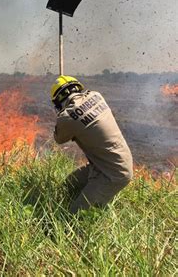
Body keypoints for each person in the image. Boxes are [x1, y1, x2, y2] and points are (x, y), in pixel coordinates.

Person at [51, 75, 133, 214]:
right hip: (108, 164)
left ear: (59, 101)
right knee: (68, 185)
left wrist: (60, 114)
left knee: (75, 217)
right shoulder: (97, 95)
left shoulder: (67, 117)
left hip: (113, 174)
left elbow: (58, 139)